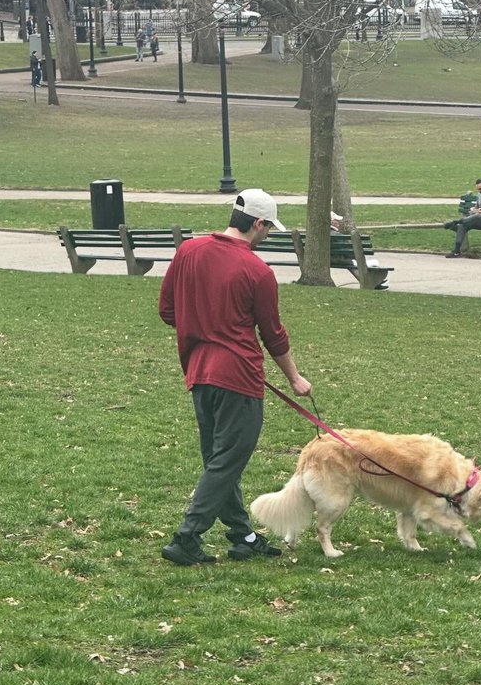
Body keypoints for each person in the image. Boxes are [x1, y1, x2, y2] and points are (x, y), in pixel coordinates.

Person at [158, 189, 312, 567]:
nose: (268, 236)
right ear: (257, 223)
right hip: (239, 377)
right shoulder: (257, 271)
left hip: (198, 372)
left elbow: (167, 311)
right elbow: (273, 334)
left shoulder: (188, 252)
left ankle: (242, 536)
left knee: (219, 459)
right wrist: (294, 378)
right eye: (268, 229)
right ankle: (187, 537)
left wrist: (202, 327)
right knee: (227, 461)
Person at [443, 177, 481, 259]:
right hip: (476, 219)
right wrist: (474, 210)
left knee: (477, 216)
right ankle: (456, 251)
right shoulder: (480, 195)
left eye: (480, 189)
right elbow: (476, 207)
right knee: (462, 226)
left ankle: (456, 221)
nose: (479, 191)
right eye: (478, 189)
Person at [331, 211, 389, 289]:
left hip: (329, 260)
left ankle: (374, 283)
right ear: (331, 222)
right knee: (355, 263)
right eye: (336, 220)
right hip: (340, 260)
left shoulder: (320, 234)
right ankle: (372, 282)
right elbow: (351, 253)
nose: (338, 222)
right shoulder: (336, 235)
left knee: (351, 263)